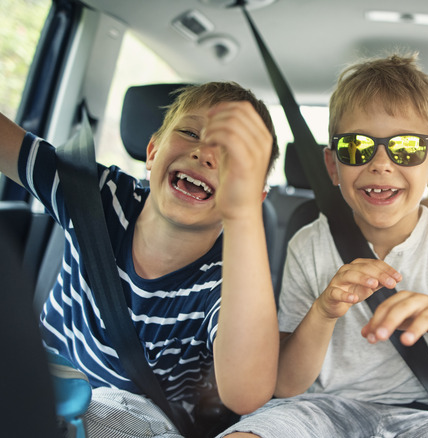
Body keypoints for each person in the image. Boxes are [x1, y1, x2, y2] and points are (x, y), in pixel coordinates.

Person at [219, 54, 428, 438]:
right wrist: (324, 312)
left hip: (427, 414)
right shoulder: (307, 243)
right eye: (357, 147)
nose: (380, 163)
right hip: (316, 410)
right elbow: (287, 386)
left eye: (406, 148)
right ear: (332, 165)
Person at [0, 81, 281, 437]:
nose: (205, 153)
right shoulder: (94, 193)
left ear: (253, 198)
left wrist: (242, 217)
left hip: (139, 415)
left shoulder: (228, 280)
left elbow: (247, 394)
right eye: (191, 133)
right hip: (44, 379)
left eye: (233, 158)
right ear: (152, 151)